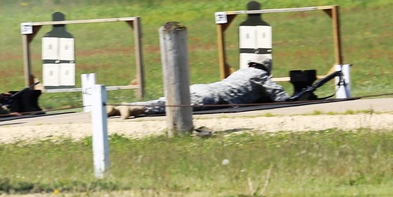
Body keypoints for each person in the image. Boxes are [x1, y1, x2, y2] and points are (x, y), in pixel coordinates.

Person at [110, 57, 292, 119]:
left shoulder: (242, 72)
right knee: (173, 108)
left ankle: (120, 108)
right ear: (266, 69)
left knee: (168, 103)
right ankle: (133, 108)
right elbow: (281, 98)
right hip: (213, 96)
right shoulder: (260, 75)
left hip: (203, 88)